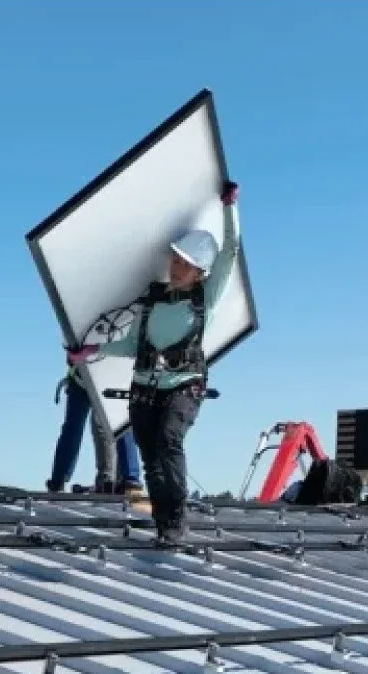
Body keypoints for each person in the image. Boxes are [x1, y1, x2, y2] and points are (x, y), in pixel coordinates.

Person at [68, 181, 242, 545]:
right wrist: (92, 351)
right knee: (149, 455)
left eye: (187, 264)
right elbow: (132, 343)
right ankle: (164, 525)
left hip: (184, 383)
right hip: (145, 385)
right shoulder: (153, 299)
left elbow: (230, 253)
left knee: (169, 442)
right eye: (177, 260)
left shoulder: (203, 299)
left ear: (200, 273)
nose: (178, 267)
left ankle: (176, 521)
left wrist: (230, 208)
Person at [45, 361, 144, 495]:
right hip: (99, 372)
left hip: (91, 372)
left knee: (81, 426)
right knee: (117, 422)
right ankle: (124, 480)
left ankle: (59, 482)